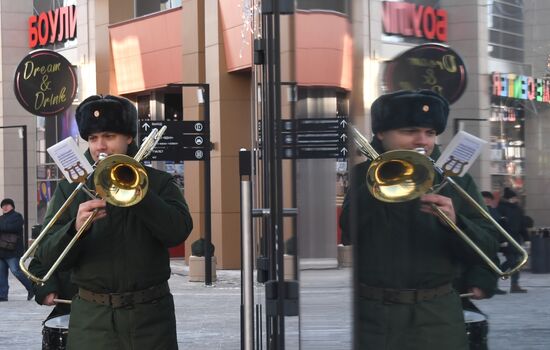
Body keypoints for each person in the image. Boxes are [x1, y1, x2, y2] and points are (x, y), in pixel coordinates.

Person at [340, 90, 499, 350]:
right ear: (381, 133)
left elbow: (489, 245)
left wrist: (455, 223)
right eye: (410, 131)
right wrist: (379, 185)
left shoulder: (454, 179)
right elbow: (349, 229)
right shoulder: (364, 176)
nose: (422, 141)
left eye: (430, 133)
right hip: (375, 315)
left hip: (437, 315)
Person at [35, 95, 194, 350]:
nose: (100, 146)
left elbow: (177, 232)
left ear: (129, 137)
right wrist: (75, 229)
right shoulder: (71, 189)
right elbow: (46, 255)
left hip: (150, 318)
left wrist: (139, 193)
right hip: (92, 319)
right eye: (93, 138)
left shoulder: (158, 183)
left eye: (108, 136)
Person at [0, 198, 34, 301]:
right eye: (3, 205)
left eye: (7, 205)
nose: (5, 207)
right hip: (1, 251)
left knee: (16, 271)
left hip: (13, 251)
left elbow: (12, 228)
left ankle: (31, 288)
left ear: (12, 206)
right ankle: (2, 295)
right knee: (1, 274)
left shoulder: (17, 216)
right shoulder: (1, 218)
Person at [497, 187, 529, 293]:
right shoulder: (501, 208)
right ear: (510, 198)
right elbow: (499, 226)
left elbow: (522, 225)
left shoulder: (518, 209)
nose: (517, 199)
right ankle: (494, 276)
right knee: (511, 261)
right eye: (515, 197)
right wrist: (502, 240)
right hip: (507, 239)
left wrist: (526, 238)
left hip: (516, 240)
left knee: (517, 263)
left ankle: (515, 285)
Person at [481, 191, 508, 295]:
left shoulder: (477, 210)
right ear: (489, 200)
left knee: (488, 265)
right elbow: (499, 228)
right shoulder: (493, 211)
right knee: (492, 265)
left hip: (484, 241)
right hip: (491, 242)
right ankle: (492, 286)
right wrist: (502, 241)